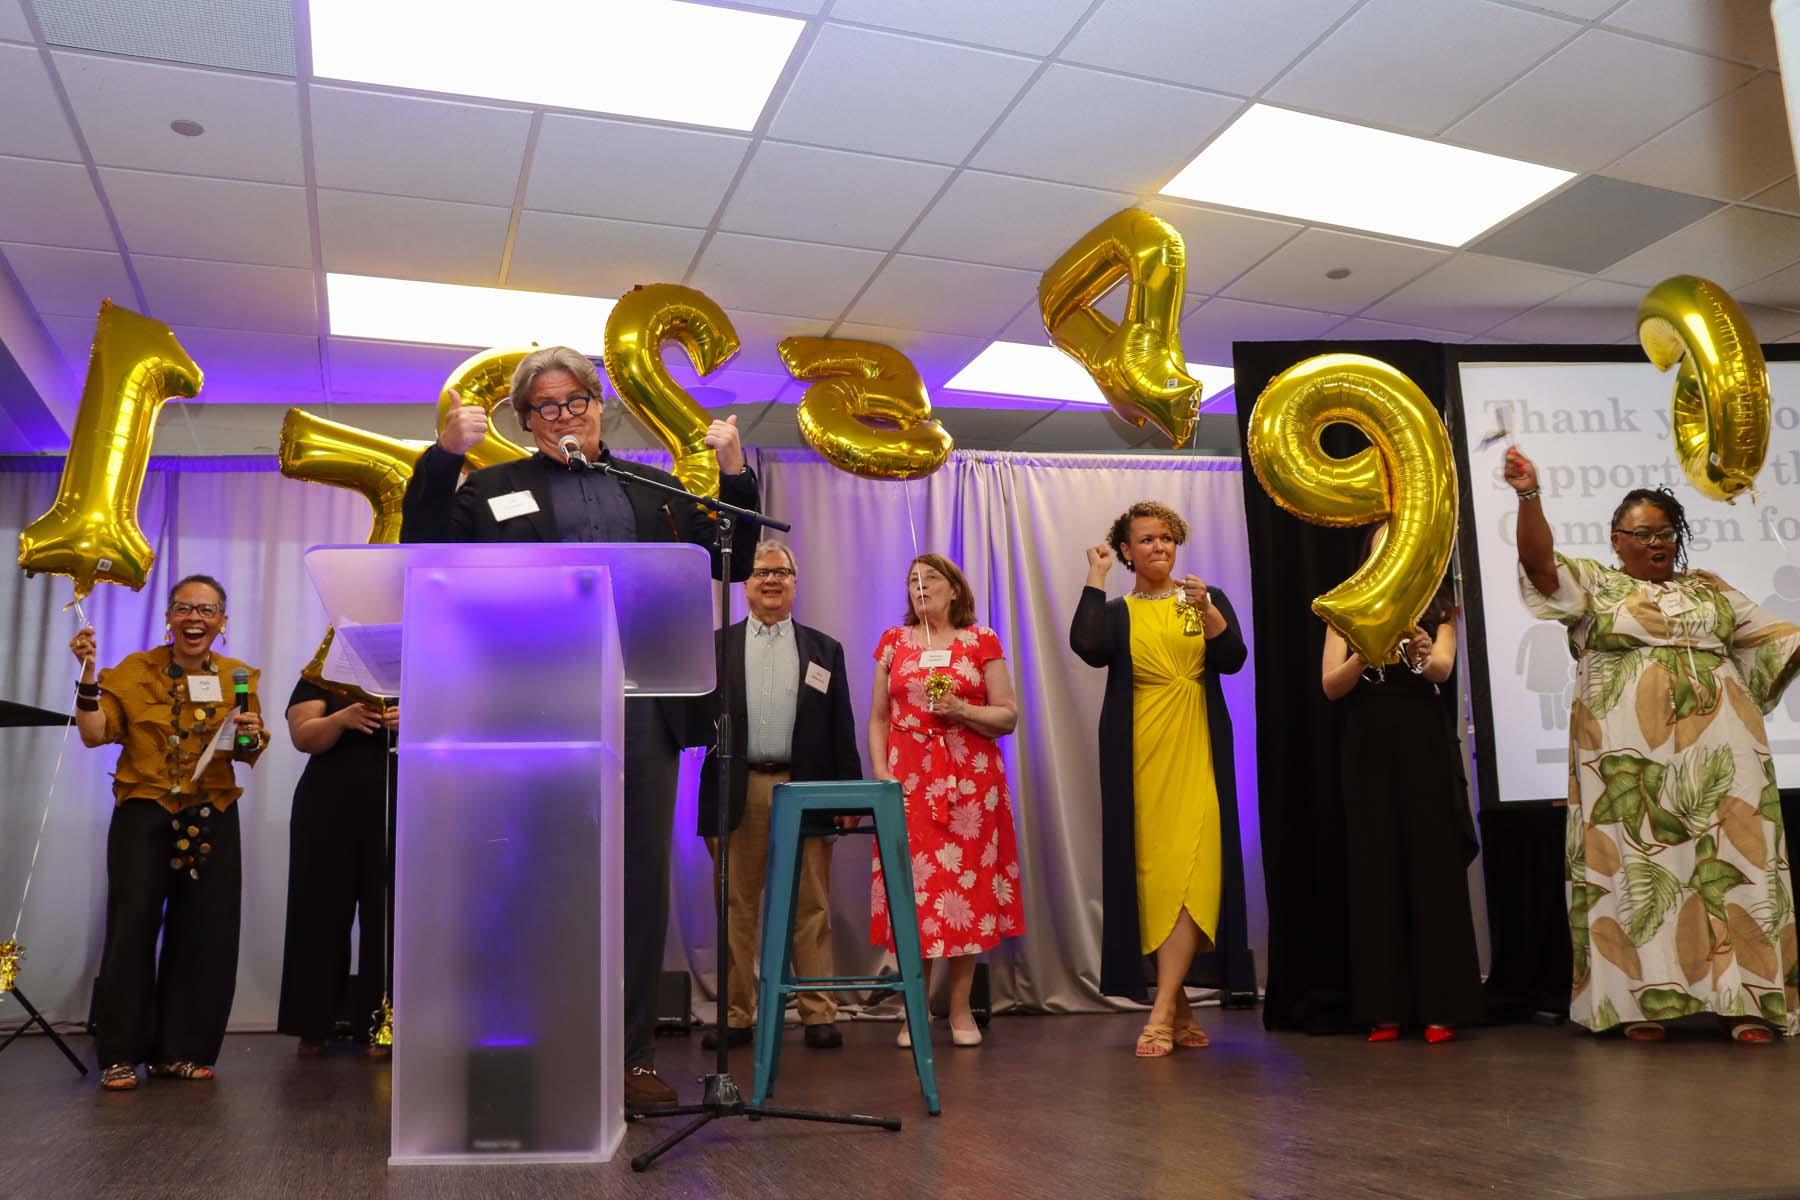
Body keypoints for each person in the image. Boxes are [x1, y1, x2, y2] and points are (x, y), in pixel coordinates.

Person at [399, 345, 758, 1110]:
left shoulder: (654, 490)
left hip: (645, 709)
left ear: (600, 408)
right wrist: (442, 459)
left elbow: (733, 560)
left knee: (636, 883)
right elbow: (425, 552)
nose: (565, 418)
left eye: (577, 403)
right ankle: (538, 1049)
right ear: (526, 422)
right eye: (547, 408)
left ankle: (628, 1056)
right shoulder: (490, 489)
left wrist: (733, 475)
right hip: (535, 712)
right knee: (535, 880)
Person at [1508, 447, 1799, 1042]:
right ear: (1616, 540)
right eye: (1642, 535)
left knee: (1739, 864)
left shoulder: (1710, 591)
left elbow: (1777, 640)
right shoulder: (1595, 585)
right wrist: (1529, 496)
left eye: (1666, 533)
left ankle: (1749, 1000)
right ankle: (1640, 1002)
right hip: (1627, 754)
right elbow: (1539, 566)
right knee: (1639, 861)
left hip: (1722, 749)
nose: (1657, 543)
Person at [68, 574, 268, 1091]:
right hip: (145, 812)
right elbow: (93, 735)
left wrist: (253, 738)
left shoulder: (239, 677)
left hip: (212, 811)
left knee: (205, 932)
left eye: (207, 610)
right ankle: (119, 1054)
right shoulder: (133, 671)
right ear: (169, 618)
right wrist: (88, 676)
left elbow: (245, 751)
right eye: (184, 608)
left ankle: (179, 1051)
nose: (194, 618)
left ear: (223, 620)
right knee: (131, 929)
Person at [1070, 501, 1247, 1057]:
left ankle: (1163, 1008)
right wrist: (1094, 578)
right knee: (1151, 878)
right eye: (1145, 540)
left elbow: (1232, 658)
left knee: (1193, 871)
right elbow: (1089, 647)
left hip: (1196, 744)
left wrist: (1211, 611)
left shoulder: (1199, 599)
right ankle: (1183, 1008)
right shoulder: (1120, 610)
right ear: (1125, 550)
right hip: (1141, 750)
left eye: (1166, 538)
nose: (1158, 547)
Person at [691, 540, 861, 1052]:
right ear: (745, 584)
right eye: (761, 572)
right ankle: (737, 1016)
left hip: (804, 789)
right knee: (736, 908)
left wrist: (848, 795)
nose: (771, 580)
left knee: (810, 905)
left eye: (781, 572)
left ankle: (817, 1014)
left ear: (795, 582)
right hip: (734, 791)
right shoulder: (714, 645)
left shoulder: (823, 649)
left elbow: (841, 727)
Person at [1320, 527, 1483, 1044]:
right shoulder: (1343, 606)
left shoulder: (1437, 604)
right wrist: (1364, 654)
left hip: (1423, 745)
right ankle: (1383, 1008)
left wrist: (1418, 650)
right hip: (1368, 746)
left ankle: (1442, 1006)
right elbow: (1329, 686)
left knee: (1431, 866)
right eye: (1381, 547)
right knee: (1376, 865)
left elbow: (1440, 670)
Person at [869, 554, 1022, 1047]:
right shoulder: (893, 642)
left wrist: (960, 708)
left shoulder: (982, 641)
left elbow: (1008, 716)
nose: (920, 587)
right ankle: (913, 1009)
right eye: (912, 580)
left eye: (931, 578)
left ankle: (959, 1011)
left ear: (955, 589)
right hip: (909, 783)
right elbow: (878, 718)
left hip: (969, 784)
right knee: (914, 896)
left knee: (965, 895)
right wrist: (880, 772)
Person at [276, 679, 397, 1057]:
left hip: (402, 800)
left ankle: (384, 1025)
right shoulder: (323, 671)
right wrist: (341, 719)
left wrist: (415, 723)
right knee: (319, 913)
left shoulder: (421, 662)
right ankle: (312, 1024)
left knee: (390, 914)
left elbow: (457, 729)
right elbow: (303, 736)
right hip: (327, 803)